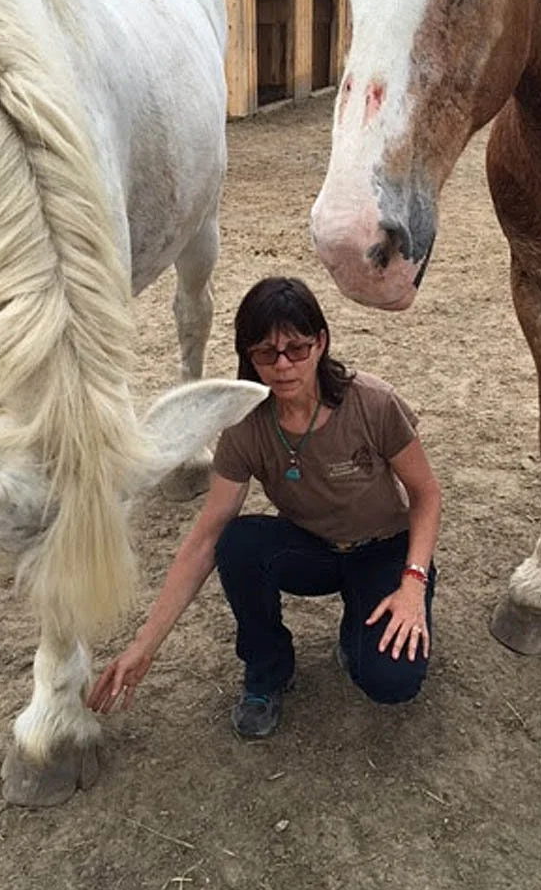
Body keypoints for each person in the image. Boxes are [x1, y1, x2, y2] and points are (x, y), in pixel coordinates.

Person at [87, 276, 441, 738]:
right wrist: (144, 646)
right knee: (237, 543)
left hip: (384, 549)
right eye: (266, 353)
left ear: (321, 342)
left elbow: (426, 494)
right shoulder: (246, 425)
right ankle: (266, 669)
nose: (283, 365)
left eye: (297, 348)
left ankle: (361, 624)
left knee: (391, 682)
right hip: (313, 548)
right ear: (248, 356)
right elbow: (206, 537)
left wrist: (413, 582)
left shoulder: (372, 403)